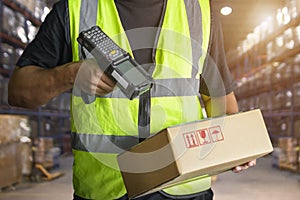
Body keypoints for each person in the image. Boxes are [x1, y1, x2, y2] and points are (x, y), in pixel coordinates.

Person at [8, 0, 256, 199]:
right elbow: (18, 92)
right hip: (106, 189)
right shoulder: (75, 9)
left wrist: (239, 145)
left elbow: (221, 101)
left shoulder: (199, 11)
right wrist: (69, 74)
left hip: (184, 188)